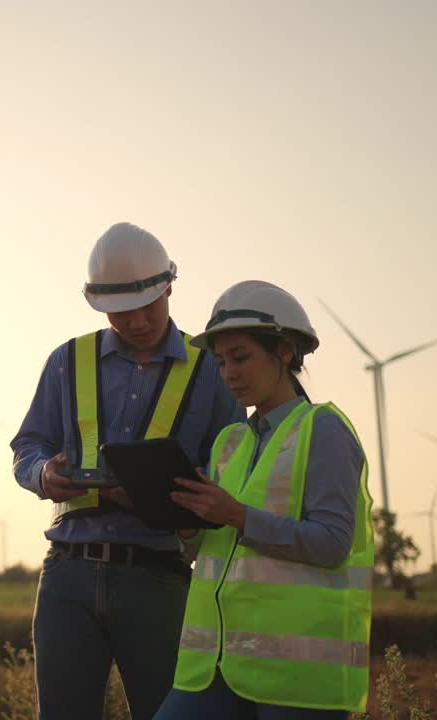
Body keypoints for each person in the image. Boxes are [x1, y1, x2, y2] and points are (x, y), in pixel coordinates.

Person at [11, 222, 244, 720]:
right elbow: (28, 445)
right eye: (121, 313)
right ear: (99, 306)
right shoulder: (66, 361)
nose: (137, 321)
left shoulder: (212, 370)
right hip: (68, 570)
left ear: (169, 289)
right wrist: (43, 475)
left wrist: (167, 494)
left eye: (149, 307)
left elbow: (233, 466)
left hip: (159, 574)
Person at [153, 280, 374, 719]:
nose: (229, 374)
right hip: (215, 667)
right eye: (220, 363)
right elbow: (216, 551)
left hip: (299, 681)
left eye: (240, 357)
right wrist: (188, 527)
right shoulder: (228, 444)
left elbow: (332, 543)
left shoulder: (323, 430)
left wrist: (236, 515)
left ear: (284, 352)